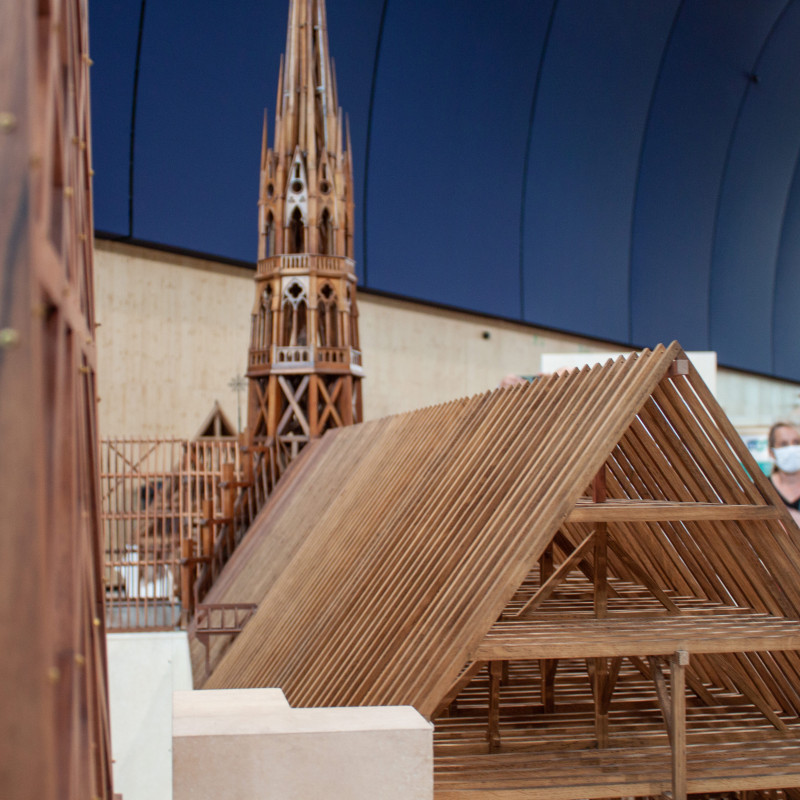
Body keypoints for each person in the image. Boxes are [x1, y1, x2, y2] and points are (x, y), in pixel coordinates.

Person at [768, 421, 800, 525]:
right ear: (772, 453)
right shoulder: (761, 489)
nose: (791, 449)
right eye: (783, 444)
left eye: (796, 442)